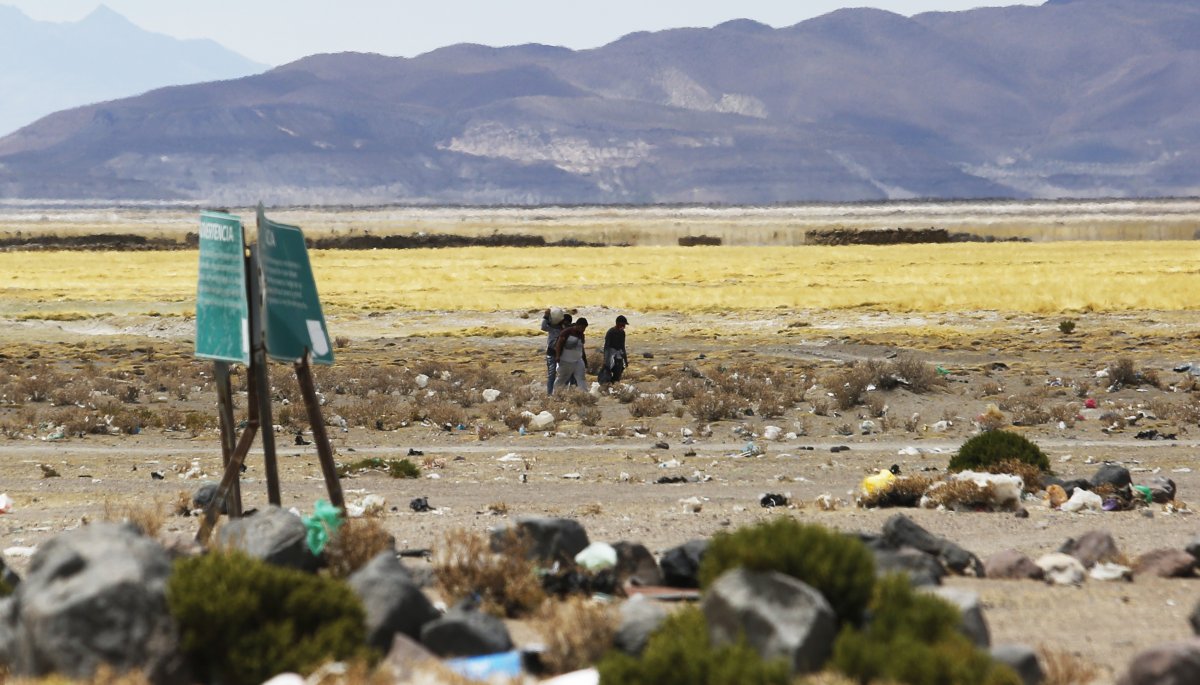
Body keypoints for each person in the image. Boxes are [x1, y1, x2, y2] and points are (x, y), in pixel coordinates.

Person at [553, 317, 588, 393]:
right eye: (582, 327)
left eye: (585, 328)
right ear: (578, 325)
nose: (583, 329)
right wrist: (558, 356)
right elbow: (558, 344)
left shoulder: (581, 335)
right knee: (562, 379)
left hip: (578, 361)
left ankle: (585, 395)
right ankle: (555, 394)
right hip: (566, 361)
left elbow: (581, 348)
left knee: (581, 378)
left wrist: (585, 360)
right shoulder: (567, 332)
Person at [541, 308, 572, 394]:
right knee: (551, 375)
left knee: (564, 374)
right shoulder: (553, 327)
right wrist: (546, 316)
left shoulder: (568, 330)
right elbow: (543, 327)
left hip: (563, 354)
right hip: (551, 353)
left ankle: (560, 392)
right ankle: (550, 394)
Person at [601, 315, 629, 384]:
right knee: (607, 376)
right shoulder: (610, 332)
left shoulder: (622, 333)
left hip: (619, 356)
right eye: (623, 324)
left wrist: (625, 360)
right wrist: (606, 360)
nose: (624, 326)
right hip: (610, 356)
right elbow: (606, 347)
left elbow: (622, 347)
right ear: (618, 323)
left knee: (617, 375)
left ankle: (613, 388)